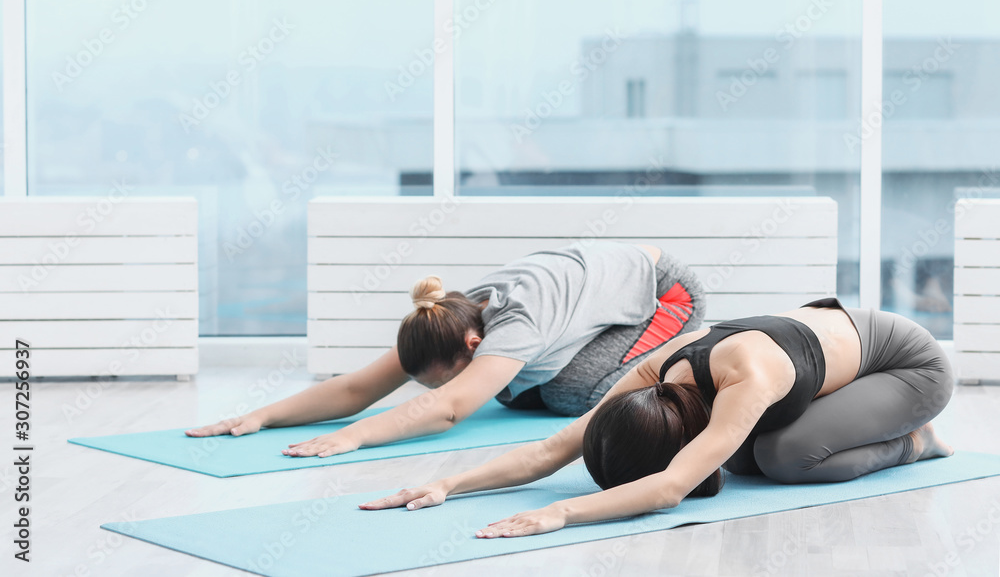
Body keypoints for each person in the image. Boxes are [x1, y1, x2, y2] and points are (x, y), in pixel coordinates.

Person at [360, 298, 954, 538]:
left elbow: (669, 489)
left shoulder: (747, 378)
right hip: (827, 357)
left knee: (777, 458)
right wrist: (448, 484)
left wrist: (558, 512)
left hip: (907, 365)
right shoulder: (653, 375)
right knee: (738, 458)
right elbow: (551, 449)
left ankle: (914, 442)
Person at [186, 240, 706, 458]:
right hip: (588, 300)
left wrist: (355, 438)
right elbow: (356, 387)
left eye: (446, 376)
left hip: (665, 295)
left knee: (571, 395)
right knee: (514, 392)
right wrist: (262, 417)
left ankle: (701, 355)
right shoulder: (444, 318)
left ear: (476, 344)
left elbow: (451, 408)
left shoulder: (516, 323)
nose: (438, 387)